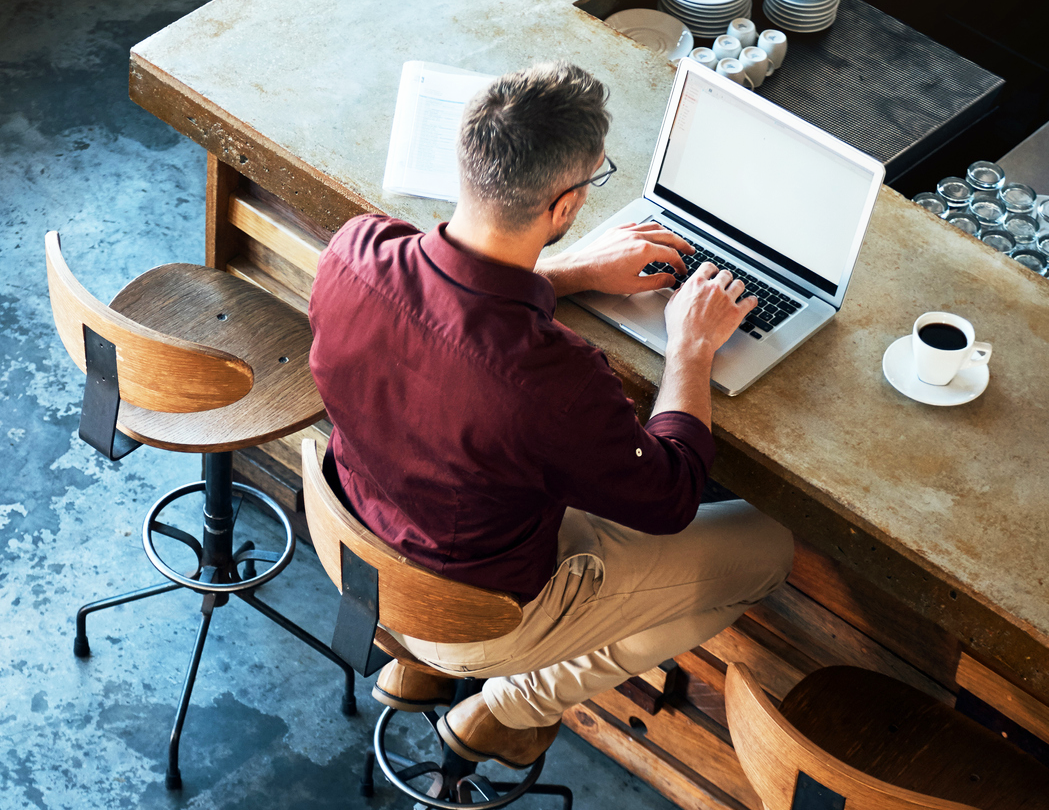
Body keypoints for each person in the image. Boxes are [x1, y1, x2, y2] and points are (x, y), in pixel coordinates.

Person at [306, 61, 794, 769]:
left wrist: (568, 274)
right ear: (565, 207)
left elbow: (453, 323)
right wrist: (690, 347)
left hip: (364, 542)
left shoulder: (355, 252)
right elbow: (671, 496)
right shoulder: (554, 381)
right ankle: (511, 705)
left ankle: (421, 652)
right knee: (768, 548)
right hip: (484, 609)